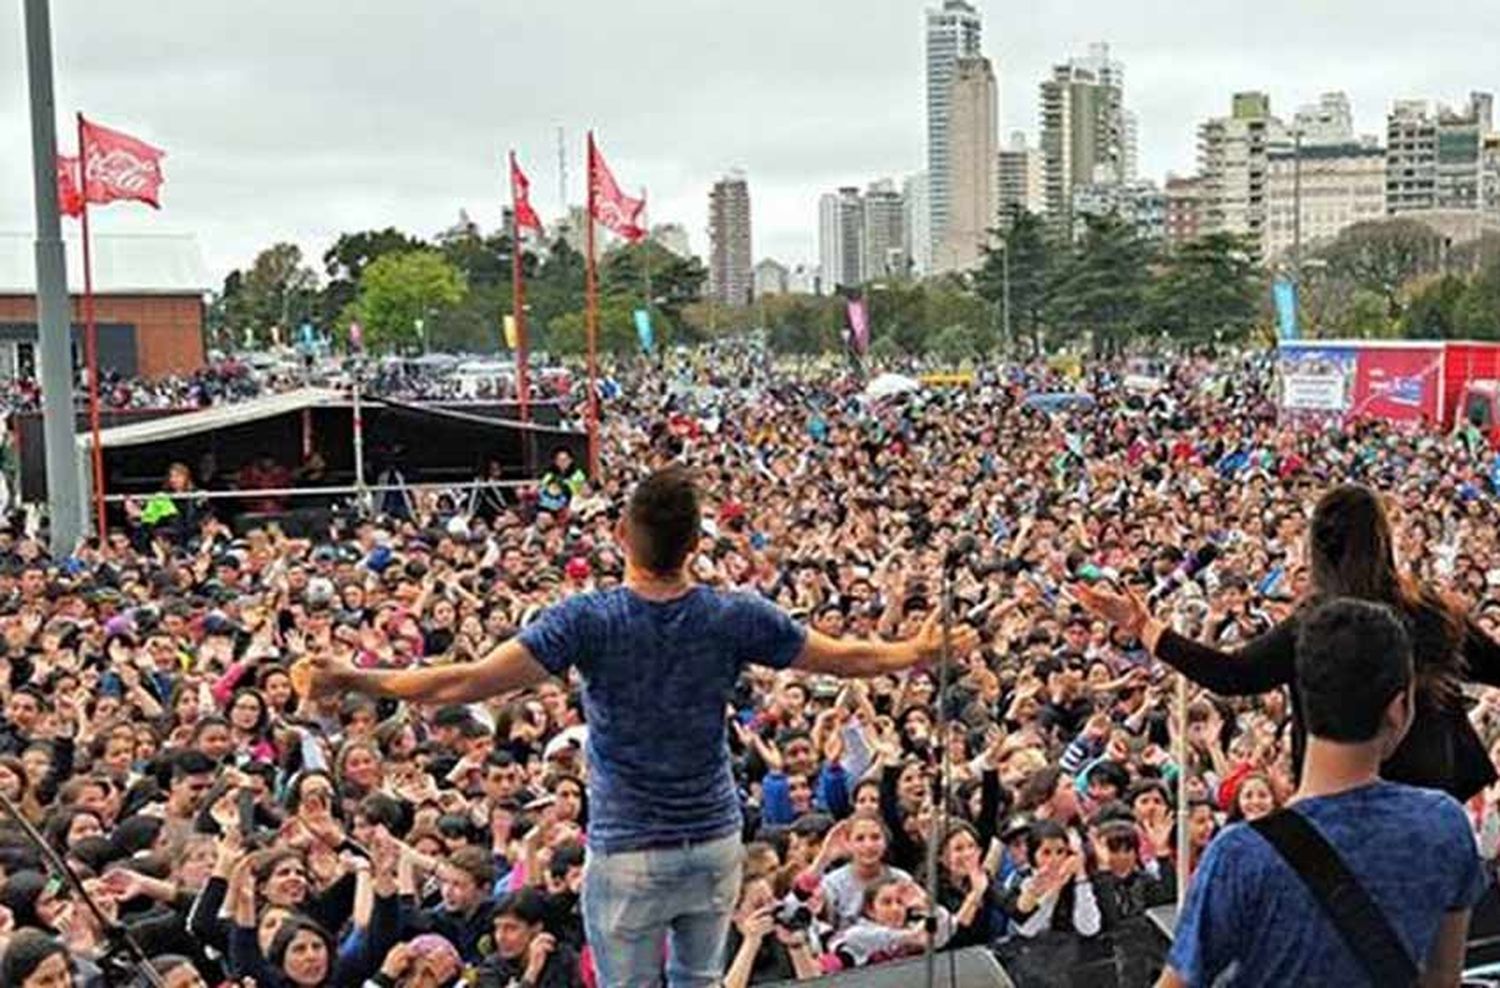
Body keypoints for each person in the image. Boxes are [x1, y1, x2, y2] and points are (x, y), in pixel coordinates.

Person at [300, 464, 978, 987]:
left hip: (628, 849)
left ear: (622, 535)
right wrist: (916, 652)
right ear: (694, 542)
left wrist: (356, 676)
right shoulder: (732, 614)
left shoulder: (587, 619)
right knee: (698, 980)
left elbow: (464, 680)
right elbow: (843, 656)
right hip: (713, 838)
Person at [1078, 483, 1500, 801]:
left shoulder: (1316, 625)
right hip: (1432, 789)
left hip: (1339, 796)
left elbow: (1231, 674)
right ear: (1383, 540)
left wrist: (1145, 627)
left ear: (1316, 548)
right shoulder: (1430, 611)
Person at [1159, 598, 1486, 987]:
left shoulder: (1240, 856)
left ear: (1302, 701)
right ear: (1398, 708)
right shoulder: (1444, 825)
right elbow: (1442, 977)